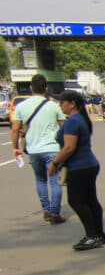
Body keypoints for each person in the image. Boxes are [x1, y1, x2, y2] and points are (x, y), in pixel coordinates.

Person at [47, 91, 105, 251]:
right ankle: (99, 234)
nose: (60, 105)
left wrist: (55, 163)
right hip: (88, 164)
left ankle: (92, 236)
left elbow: (69, 147)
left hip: (79, 166)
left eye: (62, 102)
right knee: (90, 200)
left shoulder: (73, 121)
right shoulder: (80, 119)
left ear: (72, 103)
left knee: (76, 201)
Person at [10, 74, 66, 224]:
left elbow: (15, 129)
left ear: (30, 88)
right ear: (46, 88)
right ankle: (55, 213)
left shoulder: (21, 106)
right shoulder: (54, 106)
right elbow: (63, 127)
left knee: (40, 180)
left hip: (33, 150)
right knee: (54, 181)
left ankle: (46, 210)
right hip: (53, 149)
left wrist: (15, 147)